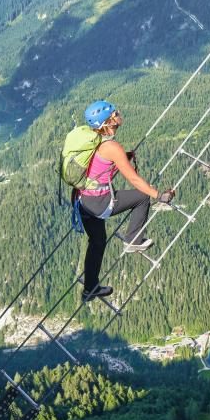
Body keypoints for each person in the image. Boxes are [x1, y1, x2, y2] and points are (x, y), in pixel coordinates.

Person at [72, 100, 175, 300]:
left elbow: (99, 165)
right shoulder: (112, 146)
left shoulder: (92, 139)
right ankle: (133, 240)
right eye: (115, 113)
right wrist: (159, 196)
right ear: (108, 121)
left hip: (82, 199)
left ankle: (90, 288)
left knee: (98, 241)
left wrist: (124, 157)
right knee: (142, 196)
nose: (119, 115)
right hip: (98, 202)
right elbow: (134, 179)